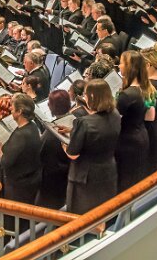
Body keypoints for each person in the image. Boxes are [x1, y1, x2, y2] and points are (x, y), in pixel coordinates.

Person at [64, 79, 121, 214]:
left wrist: (63, 144)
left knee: (83, 218)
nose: (84, 97)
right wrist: (72, 131)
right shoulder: (115, 114)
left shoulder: (84, 123)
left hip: (85, 179)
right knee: (104, 213)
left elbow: (73, 154)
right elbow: (100, 133)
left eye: (85, 94)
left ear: (92, 97)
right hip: (108, 172)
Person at [116, 51, 157, 191]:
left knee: (125, 184)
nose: (119, 66)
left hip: (127, 143)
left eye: (121, 63)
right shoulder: (147, 88)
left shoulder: (126, 95)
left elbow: (113, 123)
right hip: (141, 137)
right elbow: (150, 117)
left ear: (130, 67)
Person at [0, 94, 42, 205]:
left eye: (12, 106)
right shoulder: (32, 126)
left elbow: (5, 162)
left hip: (19, 188)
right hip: (30, 181)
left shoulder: (21, 135)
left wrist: (0, 152)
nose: (10, 108)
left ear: (20, 111)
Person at [36, 90, 72, 209]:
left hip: (52, 187)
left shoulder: (51, 134)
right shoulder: (77, 122)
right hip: (68, 179)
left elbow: (40, 155)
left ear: (51, 107)